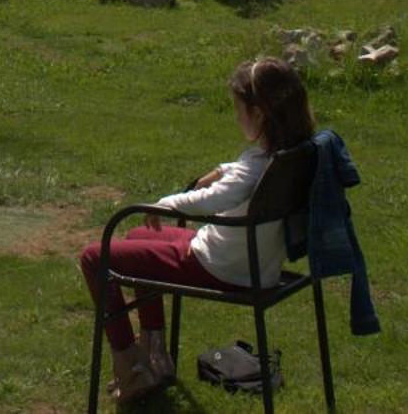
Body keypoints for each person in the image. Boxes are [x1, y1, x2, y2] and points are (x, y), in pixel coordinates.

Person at [78, 56, 316, 404]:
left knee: (93, 257)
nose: (237, 118)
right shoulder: (290, 153)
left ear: (259, 114)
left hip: (221, 267)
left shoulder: (255, 170)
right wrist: (221, 169)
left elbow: (220, 197)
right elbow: (240, 173)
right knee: (138, 239)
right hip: (254, 263)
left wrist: (166, 203)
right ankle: (156, 355)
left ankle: (130, 367)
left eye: (239, 110)